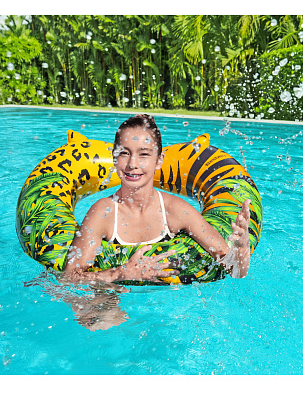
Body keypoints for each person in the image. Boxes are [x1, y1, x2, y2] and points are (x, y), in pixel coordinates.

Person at [62, 114, 251, 285]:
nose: (132, 164)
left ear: (159, 160)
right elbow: (69, 277)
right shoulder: (103, 212)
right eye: (124, 153)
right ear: (114, 157)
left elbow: (235, 271)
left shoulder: (176, 210)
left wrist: (241, 247)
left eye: (144, 154)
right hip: (113, 295)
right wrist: (119, 273)